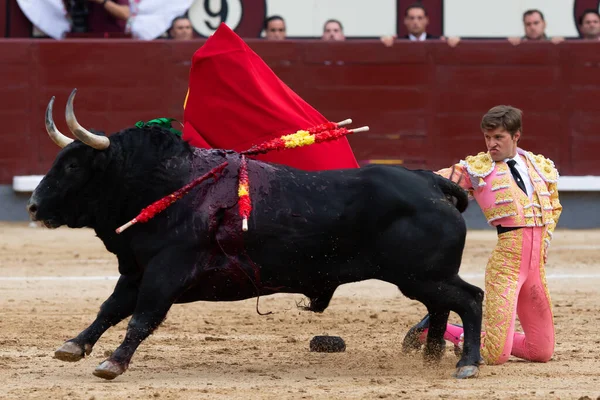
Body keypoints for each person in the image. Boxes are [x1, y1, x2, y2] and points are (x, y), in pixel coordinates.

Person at [403, 105, 562, 366]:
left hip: (535, 268)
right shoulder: (476, 170)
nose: (491, 144)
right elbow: (432, 182)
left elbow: (554, 207)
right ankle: (440, 329)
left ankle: (472, 333)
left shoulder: (539, 166)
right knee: (494, 355)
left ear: (516, 136)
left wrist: (544, 244)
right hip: (506, 266)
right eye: (488, 137)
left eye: (498, 137)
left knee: (541, 351)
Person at [380, 3, 460, 47]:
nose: (415, 22)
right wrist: (384, 41)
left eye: (420, 18)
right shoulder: (398, 42)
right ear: (405, 21)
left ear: (426, 20)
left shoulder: (438, 41)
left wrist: (454, 41)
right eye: (411, 18)